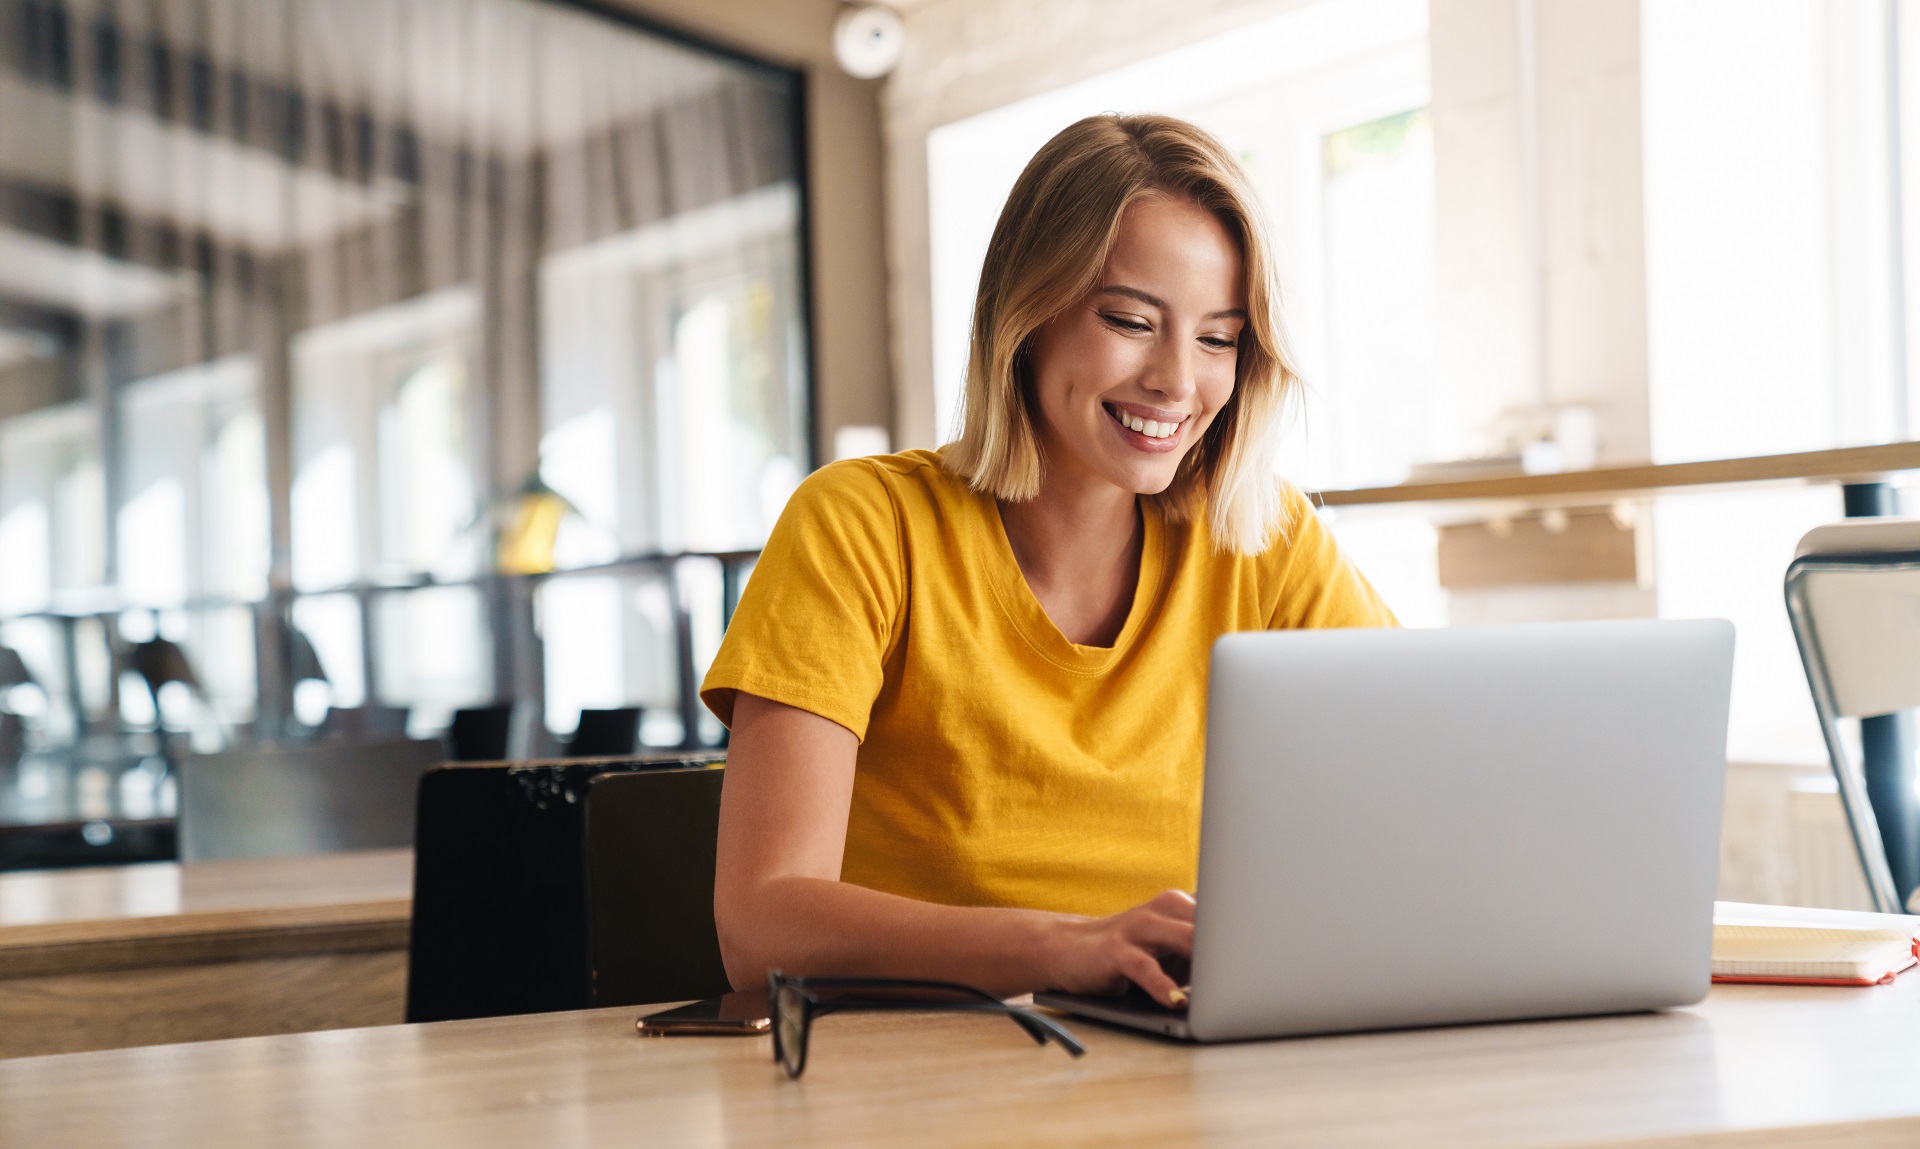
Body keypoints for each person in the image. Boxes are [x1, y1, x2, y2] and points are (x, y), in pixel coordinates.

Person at [702, 113, 1395, 1009]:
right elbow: (760, 929)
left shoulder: (1264, 539)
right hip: (915, 1075)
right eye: (1131, 321)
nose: (1178, 382)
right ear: (1025, 315)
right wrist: (1063, 946)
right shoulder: (862, 525)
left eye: (1219, 338)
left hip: (1178, 1064)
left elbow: (1421, 800)